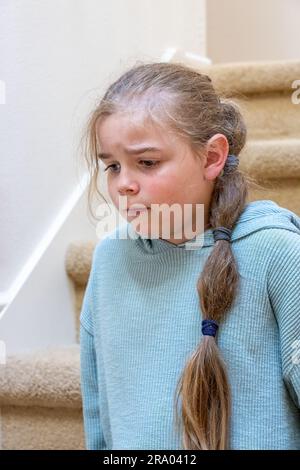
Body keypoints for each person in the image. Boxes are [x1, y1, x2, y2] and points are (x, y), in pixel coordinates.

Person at [79, 61, 300, 450]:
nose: (123, 184)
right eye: (112, 166)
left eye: (146, 163)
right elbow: (99, 412)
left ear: (212, 157)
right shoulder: (109, 260)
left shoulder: (275, 252)